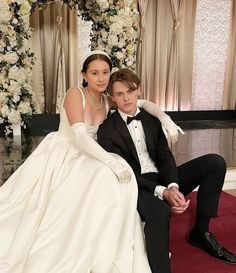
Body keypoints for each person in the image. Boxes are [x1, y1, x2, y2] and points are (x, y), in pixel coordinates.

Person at [0, 50, 181, 273]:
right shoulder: (75, 94)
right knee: (105, 174)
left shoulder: (108, 99)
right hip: (68, 151)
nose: (101, 78)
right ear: (84, 74)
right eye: (94, 73)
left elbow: (143, 103)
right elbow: (80, 136)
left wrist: (164, 117)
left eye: (105, 72)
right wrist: (110, 161)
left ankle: (111, 241)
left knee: (112, 177)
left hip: (94, 153)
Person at [97, 68, 236, 273]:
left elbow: (165, 156)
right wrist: (163, 192)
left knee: (214, 162)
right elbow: (125, 172)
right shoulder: (107, 130)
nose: (126, 97)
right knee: (161, 211)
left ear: (138, 90)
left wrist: (173, 185)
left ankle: (201, 233)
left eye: (130, 90)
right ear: (112, 97)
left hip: (162, 178)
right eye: (119, 93)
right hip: (135, 186)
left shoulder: (152, 119)